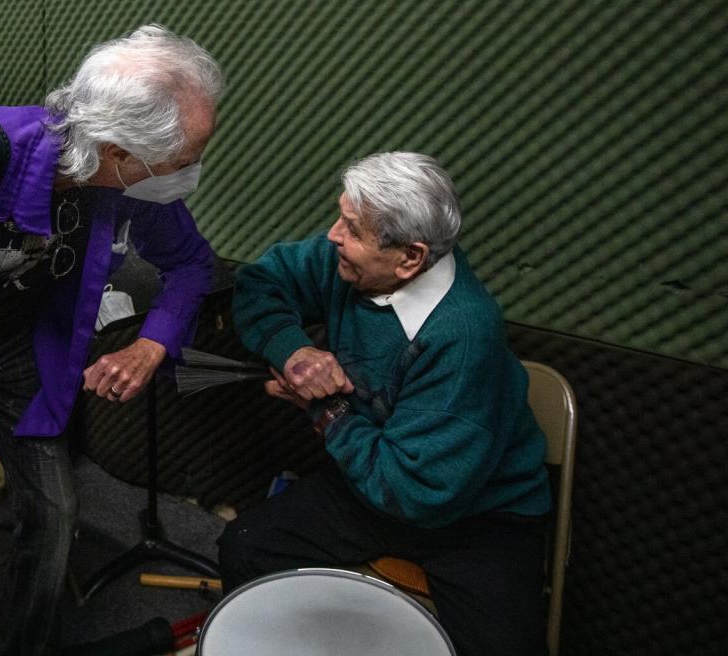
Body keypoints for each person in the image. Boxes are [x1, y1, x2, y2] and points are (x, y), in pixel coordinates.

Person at [0, 25, 223, 655]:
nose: (191, 174)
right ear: (118, 150)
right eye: (185, 160)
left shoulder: (130, 179)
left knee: (54, 513)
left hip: (12, 349)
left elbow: (190, 265)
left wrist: (152, 344)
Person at [220, 151, 552, 656]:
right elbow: (262, 283)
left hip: (478, 516)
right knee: (246, 548)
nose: (333, 235)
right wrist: (293, 352)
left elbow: (416, 492)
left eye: (351, 229)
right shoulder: (349, 263)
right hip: (374, 480)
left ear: (410, 258)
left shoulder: (462, 334)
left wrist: (323, 409)